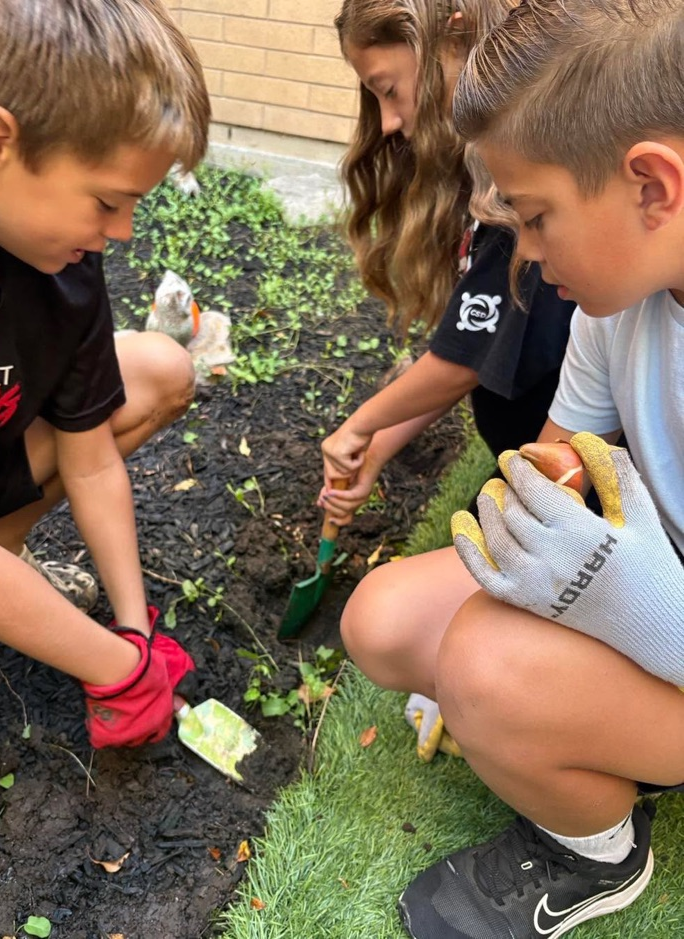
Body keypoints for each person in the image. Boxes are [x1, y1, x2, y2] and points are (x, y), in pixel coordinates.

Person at [341, 1, 684, 936]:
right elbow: (553, 465)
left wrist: (649, 611)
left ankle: (597, 851)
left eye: (535, 218)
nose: (523, 252)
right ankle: (594, 719)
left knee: (485, 667)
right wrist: (548, 541)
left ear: (653, 186)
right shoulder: (618, 306)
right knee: (382, 620)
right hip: (654, 590)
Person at [0, 0, 211, 749]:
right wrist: (120, 674)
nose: (122, 232)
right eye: (107, 202)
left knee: (157, 368)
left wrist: (134, 630)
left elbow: (88, 460)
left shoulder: (60, 261)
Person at [321, 0, 577, 759]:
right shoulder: (492, 179)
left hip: (575, 482)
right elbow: (468, 350)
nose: (388, 122)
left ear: (453, 34)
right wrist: (375, 447)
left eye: (388, 89)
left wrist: (361, 425)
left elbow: (461, 359)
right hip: (542, 464)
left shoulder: (516, 198)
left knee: (401, 627)